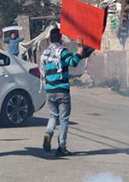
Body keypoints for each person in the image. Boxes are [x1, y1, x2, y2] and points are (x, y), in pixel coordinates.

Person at [40, 28, 94, 156]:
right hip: (62, 90)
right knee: (64, 119)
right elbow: (73, 62)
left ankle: (49, 132)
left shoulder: (46, 53)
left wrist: (78, 51)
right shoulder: (62, 51)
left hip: (50, 90)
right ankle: (62, 147)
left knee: (53, 115)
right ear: (60, 39)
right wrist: (80, 47)